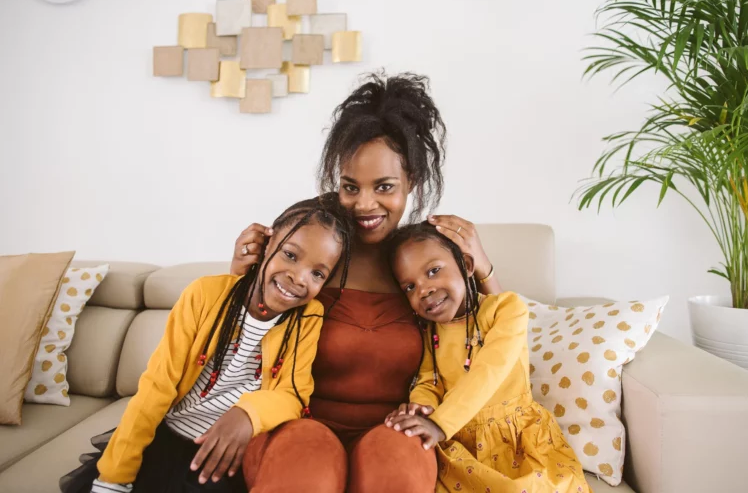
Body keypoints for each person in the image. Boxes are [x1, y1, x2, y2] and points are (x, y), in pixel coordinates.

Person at [230, 72, 501, 493]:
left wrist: (482, 269)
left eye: (385, 187)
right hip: (296, 422)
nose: (365, 204)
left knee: (393, 475)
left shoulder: (424, 262)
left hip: (394, 427)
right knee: (307, 472)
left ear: (411, 181)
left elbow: (493, 342)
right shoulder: (311, 254)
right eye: (350, 187)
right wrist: (242, 276)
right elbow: (235, 346)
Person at [60, 195, 354, 493]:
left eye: (317, 273)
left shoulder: (308, 316)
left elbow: (293, 393)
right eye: (290, 255)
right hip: (165, 441)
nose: (298, 277)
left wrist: (247, 415)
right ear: (266, 246)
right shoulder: (203, 295)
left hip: (223, 458)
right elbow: (156, 388)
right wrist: (114, 476)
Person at [384, 222, 591, 493]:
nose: (423, 290)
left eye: (433, 271)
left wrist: (438, 423)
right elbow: (428, 380)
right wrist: (422, 409)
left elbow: (490, 370)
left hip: (518, 441)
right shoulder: (430, 331)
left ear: (467, 266)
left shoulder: (506, 309)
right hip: (461, 443)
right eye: (409, 287)